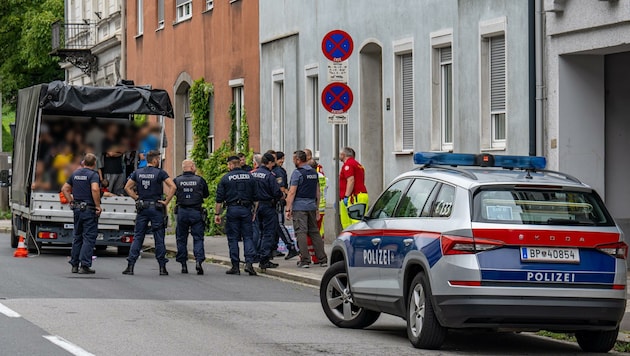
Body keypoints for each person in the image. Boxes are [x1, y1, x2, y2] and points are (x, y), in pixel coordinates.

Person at [122, 150, 176, 276]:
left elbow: (127, 187)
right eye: (159, 159)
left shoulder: (138, 172)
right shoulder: (160, 173)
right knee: (159, 237)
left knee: (138, 237)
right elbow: (173, 186)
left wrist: (137, 198)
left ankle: (130, 266)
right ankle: (162, 267)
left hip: (142, 208)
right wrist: (166, 201)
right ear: (155, 160)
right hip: (156, 208)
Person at [214, 155, 258, 276]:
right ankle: (249, 263)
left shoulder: (225, 178)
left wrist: (217, 214)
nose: (228, 167)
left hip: (232, 209)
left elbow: (219, 199)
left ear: (232, 165)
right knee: (248, 237)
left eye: (228, 165)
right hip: (246, 209)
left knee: (233, 238)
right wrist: (254, 212)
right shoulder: (250, 177)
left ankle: (235, 265)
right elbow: (256, 198)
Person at [285, 150, 328, 268]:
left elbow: (292, 192)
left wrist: (288, 209)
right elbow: (317, 192)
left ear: (298, 160)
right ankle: (322, 258)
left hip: (300, 206)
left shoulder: (297, 173)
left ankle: (305, 259)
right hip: (312, 206)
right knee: (314, 232)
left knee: (301, 232)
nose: (293, 161)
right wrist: (317, 208)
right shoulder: (314, 173)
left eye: (294, 159)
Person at [61, 153, 101, 274]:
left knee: (77, 237)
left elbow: (64, 189)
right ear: (94, 164)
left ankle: (74, 264)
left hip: (77, 209)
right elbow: (95, 189)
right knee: (88, 237)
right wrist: (98, 206)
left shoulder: (75, 173)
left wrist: (71, 201)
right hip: (89, 209)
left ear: (83, 163)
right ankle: (85, 265)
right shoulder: (93, 175)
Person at [174, 159, 210, 275]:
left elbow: (173, 192)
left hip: (182, 212)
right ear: (192, 167)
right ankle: (198, 261)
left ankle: (183, 264)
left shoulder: (177, 180)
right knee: (198, 238)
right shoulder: (199, 180)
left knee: (181, 238)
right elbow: (206, 194)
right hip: (196, 211)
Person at [251, 152, 283, 270]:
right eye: (272, 164)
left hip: (255, 206)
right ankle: (264, 259)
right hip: (267, 206)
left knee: (258, 232)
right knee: (268, 233)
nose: (272, 166)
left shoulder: (253, 174)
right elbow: (276, 192)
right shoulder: (269, 175)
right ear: (269, 163)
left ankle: (257, 255)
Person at [268, 150, 299, 260]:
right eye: (280, 159)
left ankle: (291, 246)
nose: (282, 161)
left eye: (282, 159)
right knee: (276, 225)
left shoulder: (278, 171)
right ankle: (273, 248)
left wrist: (286, 197)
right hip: (275, 201)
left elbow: (281, 188)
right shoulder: (274, 170)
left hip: (278, 201)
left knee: (279, 224)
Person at [339, 147, 369, 229]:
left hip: (354, 197)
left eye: (340, 154)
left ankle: (354, 241)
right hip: (358, 196)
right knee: (350, 223)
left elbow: (351, 180)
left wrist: (346, 196)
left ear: (343, 155)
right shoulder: (358, 165)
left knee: (355, 223)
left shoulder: (348, 165)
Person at [305, 148, 327, 239]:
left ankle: (315, 249)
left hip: (316, 203)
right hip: (317, 203)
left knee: (315, 229)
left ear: (309, 156)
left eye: (305, 155)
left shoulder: (317, 169)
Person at [101, 124, 126, 195]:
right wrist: (119, 152)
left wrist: (116, 151)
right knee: (108, 191)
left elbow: (124, 150)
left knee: (119, 192)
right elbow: (110, 153)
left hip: (119, 170)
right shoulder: (105, 141)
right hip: (110, 170)